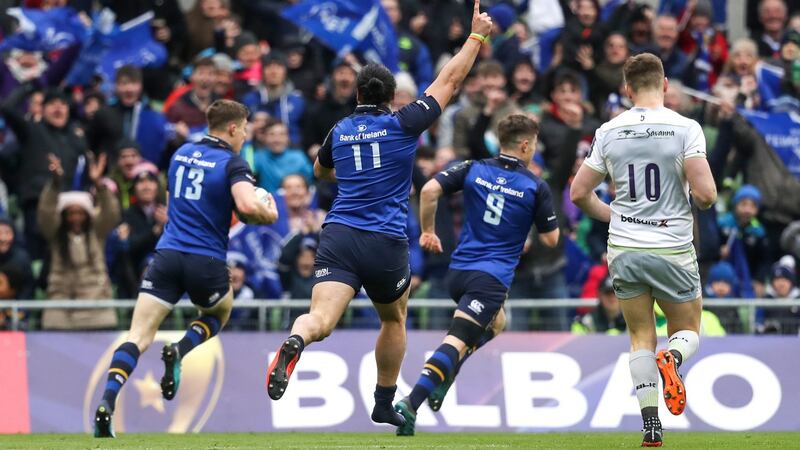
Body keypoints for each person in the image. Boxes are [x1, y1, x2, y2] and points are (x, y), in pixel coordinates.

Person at [264, 0, 493, 429]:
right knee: (394, 317)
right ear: (390, 97)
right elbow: (450, 78)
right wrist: (476, 35)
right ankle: (384, 400)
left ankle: (295, 340)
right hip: (385, 239)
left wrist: (342, 165)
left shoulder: (340, 130)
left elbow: (320, 171)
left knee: (320, 319)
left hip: (339, 234)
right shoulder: (403, 123)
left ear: (356, 94)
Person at [93, 99, 279, 438]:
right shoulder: (232, 163)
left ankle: (107, 402)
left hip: (165, 256)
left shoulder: (180, 154)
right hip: (205, 259)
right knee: (218, 314)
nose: (246, 136)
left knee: (137, 335)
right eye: (246, 129)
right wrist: (270, 210)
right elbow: (248, 207)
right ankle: (180, 349)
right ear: (234, 128)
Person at [570, 53, 716, 447]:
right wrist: (693, 197)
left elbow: (579, 193)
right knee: (687, 331)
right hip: (671, 248)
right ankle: (675, 359)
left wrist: (613, 214)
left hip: (625, 248)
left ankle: (651, 425)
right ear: (665, 84)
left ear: (627, 89)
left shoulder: (609, 131)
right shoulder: (686, 128)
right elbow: (706, 195)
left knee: (639, 338)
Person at [394, 114, 559, 435]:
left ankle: (447, 373)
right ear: (526, 145)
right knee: (456, 340)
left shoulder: (473, 168)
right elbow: (551, 239)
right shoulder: (534, 186)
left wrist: (428, 231)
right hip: (491, 278)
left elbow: (428, 190)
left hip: (459, 271)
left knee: (498, 323)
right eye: (534, 144)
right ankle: (410, 404)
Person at [38, 153, 120, 330]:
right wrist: (55, 184)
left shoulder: (97, 233)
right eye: (71, 213)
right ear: (64, 216)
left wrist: (99, 184)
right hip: (60, 311)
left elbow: (111, 213)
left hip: (97, 311)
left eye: (80, 213)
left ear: (88, 215)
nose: (76, 217)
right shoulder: (56, 235)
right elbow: (45, 213)